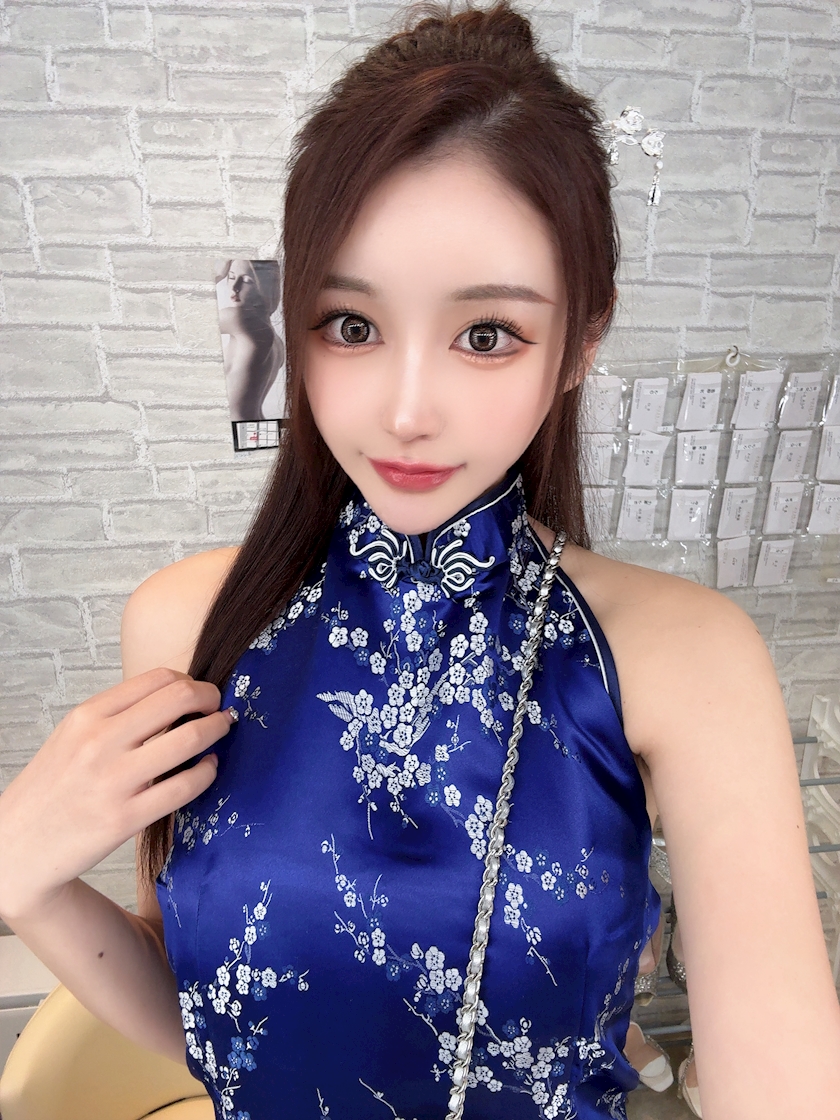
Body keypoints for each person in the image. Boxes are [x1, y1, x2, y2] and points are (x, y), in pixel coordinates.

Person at [1, 3, 839, 1118]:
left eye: (486, 335)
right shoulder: (188, 624)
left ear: (581, 341)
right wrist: (22, 875)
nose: (404, 411)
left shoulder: (686, 659)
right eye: (351, 325)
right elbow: (210, 1026)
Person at [215, 258, 284, 422]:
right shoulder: (277, 342)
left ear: (264, 287)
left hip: (235, 429)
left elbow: (187, 320)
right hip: (259, 426)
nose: (235, 286)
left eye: (246, 280)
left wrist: (217, 276)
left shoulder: (240, 319)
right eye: (231, 277)